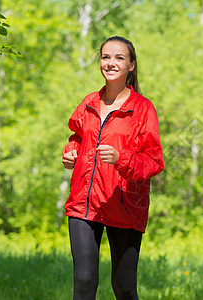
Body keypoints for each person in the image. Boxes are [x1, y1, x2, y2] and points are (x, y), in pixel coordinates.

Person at [62, 36, 164, 300]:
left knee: (124, 287)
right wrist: (70, 152)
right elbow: (77, 136)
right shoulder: (88, 103)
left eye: (119, 58)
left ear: (131, 65)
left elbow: (154, 161)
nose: (111, 63)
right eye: (106, 57)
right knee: (83, 283)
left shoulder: (142, 109)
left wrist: (121, 158)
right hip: (84, 204)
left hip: (124, 206)